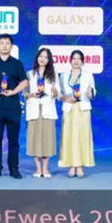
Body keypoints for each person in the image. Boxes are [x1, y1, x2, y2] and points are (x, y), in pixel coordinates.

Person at [0, 34, 28, 179]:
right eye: (2, 43)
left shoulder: (17, 64)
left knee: (13, 140)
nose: (4, 46)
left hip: (13, 107)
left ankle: (14, 168)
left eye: (7, 43)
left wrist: (14, 91)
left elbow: (25, 82)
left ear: (11, 46)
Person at [58, 50, 96, 178]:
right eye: (74, 58)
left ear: (82, 61)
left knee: (82, 137)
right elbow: (59, 94)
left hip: (83, 108)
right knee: (69, 137)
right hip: (69, 108)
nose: (76, 61)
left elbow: (92, 91)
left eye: (79, 59)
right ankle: (71, 166)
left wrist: (91, 93)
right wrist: (65, 98)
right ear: (70, 60)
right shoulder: (64, 75)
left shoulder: (88, 75)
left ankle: (79, 166)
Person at [24, 48, 59, 178]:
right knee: (34, 139)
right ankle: (38, 168)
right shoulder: (29, 74)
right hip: (34, 109)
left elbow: (57, 94)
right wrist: (31, 95)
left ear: (49, 60)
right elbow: (25, 93)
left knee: (47, 139)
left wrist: (55, 92)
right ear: (37, 58)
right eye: (41, 56)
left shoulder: (53, 75)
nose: (42, 59)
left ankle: (45, 168)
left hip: (47, 110)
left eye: (45, 57)